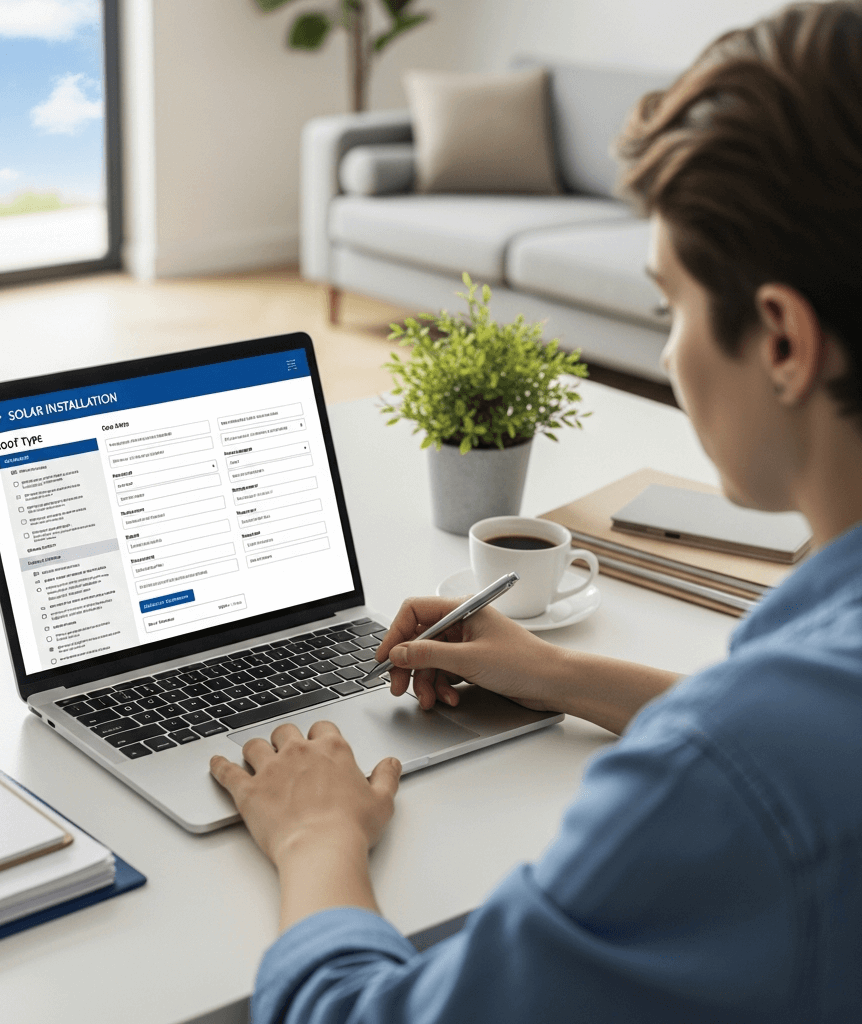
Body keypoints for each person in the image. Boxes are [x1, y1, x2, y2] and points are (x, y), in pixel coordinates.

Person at [209, 2, 862, 1020]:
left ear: (780, 339)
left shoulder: (730, 774)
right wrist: (556, 673)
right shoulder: (798, 718)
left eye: (669, 307)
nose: (667, 353)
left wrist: (314, 839)